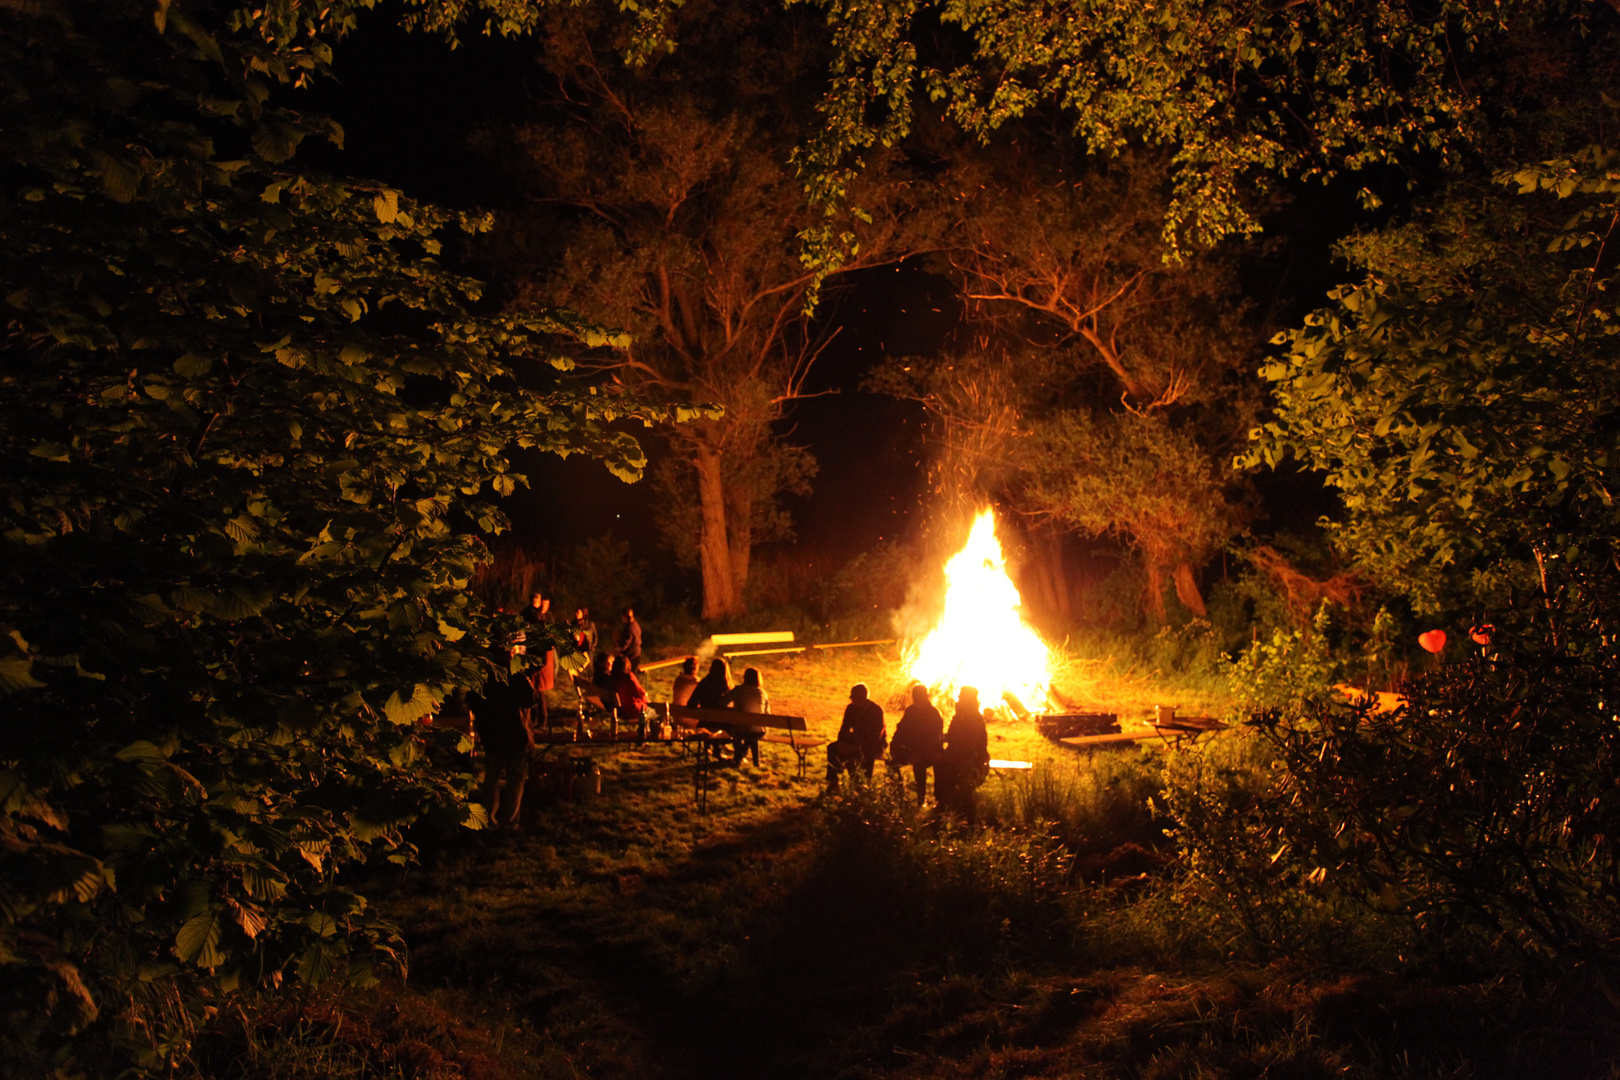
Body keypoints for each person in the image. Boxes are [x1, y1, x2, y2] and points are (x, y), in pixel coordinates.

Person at [471, 653, 537, 829]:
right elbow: (531, 699)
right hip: (515, 736)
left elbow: (472, 701)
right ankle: (509, 821)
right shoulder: (515, 678)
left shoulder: (483, 680)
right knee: (515, 780)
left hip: (492, 736)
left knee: (491, 779)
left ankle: (488, 819)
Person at [937, 686, 990, 821]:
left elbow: (970, 742)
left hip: (970, 756)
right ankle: (944, 800)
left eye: (961, 696)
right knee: (939, 762)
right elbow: (954, 736)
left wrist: (953, 751)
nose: (958, 699)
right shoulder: (961, 716)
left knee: (945, 765)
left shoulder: (973, 718)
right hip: (959, 753)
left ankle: (950, 803)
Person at [888, 683, 944, 806]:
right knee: (892, 764)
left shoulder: (933, 714)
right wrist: (894, 745)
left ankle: (921, 798)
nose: (917, 699)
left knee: (919, 766)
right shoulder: (911, 711)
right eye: (915, 696)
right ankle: (899, 794)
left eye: (919, 697)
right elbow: (901, 730)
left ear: (927, 696)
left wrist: (919, 755)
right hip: (912, 750)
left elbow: (933, 740)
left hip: (930, 752)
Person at [826, 683, 886, 791]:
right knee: (832, 748)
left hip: (871, 744)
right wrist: (842, 743)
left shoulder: (875, 710)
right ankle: (833, 781)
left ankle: (861, 784)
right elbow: (844, 728)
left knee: (862, 755)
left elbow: (875, 736)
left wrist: (856, 746)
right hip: (856, 739)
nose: (853, 701)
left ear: (862, 698)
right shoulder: (851, 708)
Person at [720, 667, 769, 767]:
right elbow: (767, 713)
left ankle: (739, 757)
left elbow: (723, 702)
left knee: (741, 730)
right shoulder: (762, 693)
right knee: (752, 732)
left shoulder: (738, 690)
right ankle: (755, 762)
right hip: (759, 731)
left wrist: (733, 711)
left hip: (740, 729)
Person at [616, 606, 643, 672]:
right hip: (636, 654)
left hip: (631, 656)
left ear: (624, 616)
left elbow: (626, 643)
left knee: (628, 676)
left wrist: (618, 648)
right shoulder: (635, 624)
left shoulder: (630, 627)